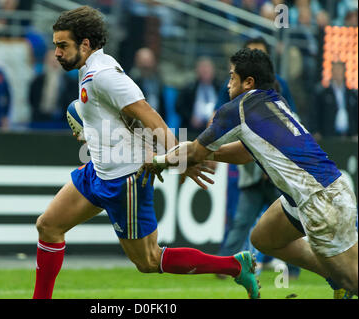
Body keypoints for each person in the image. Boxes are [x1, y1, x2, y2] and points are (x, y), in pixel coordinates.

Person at [32, 6, 260, 300]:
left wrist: (180, 158)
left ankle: (233, 266)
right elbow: (126, 121)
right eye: (55, 46)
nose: (57, 53)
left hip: (125, 180)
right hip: (97, 171)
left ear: (85, 44)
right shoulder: (90, 70)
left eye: (63, 46)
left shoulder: (104, 75)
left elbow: (150, 117)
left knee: (149, 261)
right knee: (48, 226)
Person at [139, 48, 358, 298]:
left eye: (232, 76)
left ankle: (343, 280)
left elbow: (195, 153)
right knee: (264, 238)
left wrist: (158, 162)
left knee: (355, 280)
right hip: (317, 194)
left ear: (248, 82)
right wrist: (201, 154)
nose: (228, 82)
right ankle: (335, 278)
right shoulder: (274, 101)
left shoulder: (236, 109)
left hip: (320, 202)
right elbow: (244, 153)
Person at [215, 37, 300, 279]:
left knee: (290, 224)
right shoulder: (231, 85)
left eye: (258, 53)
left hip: (277, 174)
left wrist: (195, 153)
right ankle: (224, 266)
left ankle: (292, 270)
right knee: (241, 222)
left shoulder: (278, 84)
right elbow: (219, 117)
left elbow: (291, 120)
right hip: (252, 174)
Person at [28, 49, 78, 129]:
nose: (54, 64)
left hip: (62, 123)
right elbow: (32, 99)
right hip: (40, 121)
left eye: (57, 61)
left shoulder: (71, 83)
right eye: (51, 61)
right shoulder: (37, 81)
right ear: (46, 62)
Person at [309, 61, 358, 140]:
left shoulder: (352, 94)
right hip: (328, 135)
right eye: (335, 70)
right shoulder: (323, 93)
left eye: (340, 69)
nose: (338, 72)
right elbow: (315, 113)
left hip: (350, 136)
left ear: (344, 72)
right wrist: (315, 131)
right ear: (331, 72)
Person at [176, 57, 220, 135]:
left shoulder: (220, 87)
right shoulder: (189, 87)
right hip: (190, 126)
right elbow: (178, 106)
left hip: (213, 128)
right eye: (202, 68)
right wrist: (190, 118)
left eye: (207, 68)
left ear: (213, 70)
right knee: (182, 139)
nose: (205, 70)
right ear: (197, 70)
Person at [130, 47, 166, 120]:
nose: (147, 65)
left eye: (149, 61)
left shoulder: (159, 81)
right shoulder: (131, 82)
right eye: (144, 61)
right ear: (137, 62)